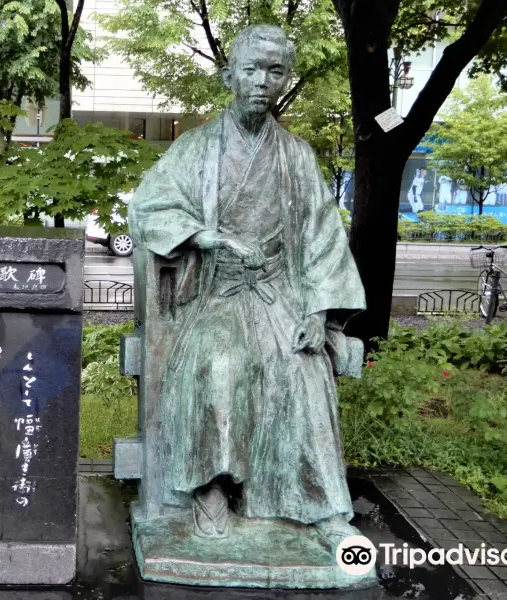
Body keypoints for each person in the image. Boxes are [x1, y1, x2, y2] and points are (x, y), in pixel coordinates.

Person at [130, 25, 366, 548]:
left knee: (303, 373)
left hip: (282, 293)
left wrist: (318, 313)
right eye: (252, 69)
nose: (263, 81)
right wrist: (205, 235)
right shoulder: (195, 149)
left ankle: (319, 509)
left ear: (286, 79)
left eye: (275, 71)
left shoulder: (298, 156)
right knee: (219, 363)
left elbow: (322, 235)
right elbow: (147, 208)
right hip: (218, 293)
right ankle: (211, 490)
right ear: (229, 75)